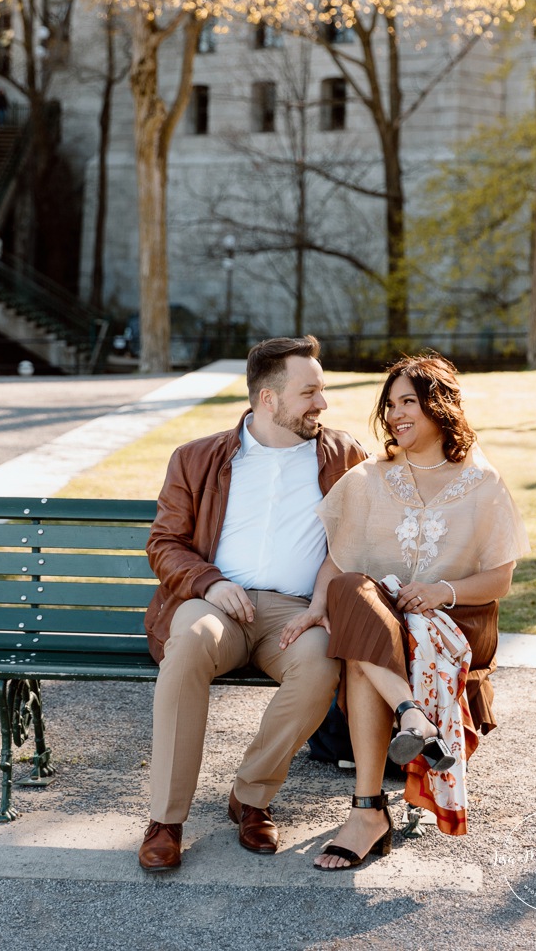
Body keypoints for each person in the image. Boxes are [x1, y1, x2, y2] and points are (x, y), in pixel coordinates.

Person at [279, 352, 529, 869]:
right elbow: (337, 561)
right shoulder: (371, 478)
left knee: (362, 646)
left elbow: (500, 579)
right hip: (387, 619)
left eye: (408, 402)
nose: (395, 415)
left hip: (457, 621)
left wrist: (442, 591)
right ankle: (408, 720)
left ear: (440, 406)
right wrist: (316, 609)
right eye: (389, 405)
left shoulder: (482, 483)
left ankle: (369, 809)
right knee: (354, 597)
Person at [138, 335, 368, 872]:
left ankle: (251, 797)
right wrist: (209, 582)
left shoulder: (344, 457)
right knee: (188, 646)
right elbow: (163, 543)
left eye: (323, 390)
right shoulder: (197, 458)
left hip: (296, 612)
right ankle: (166, 821)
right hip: (215, 604)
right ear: (269, 399)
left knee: (318, 666)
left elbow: (359, 543)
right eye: (309, 392)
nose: (323, 403)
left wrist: (322, 603)